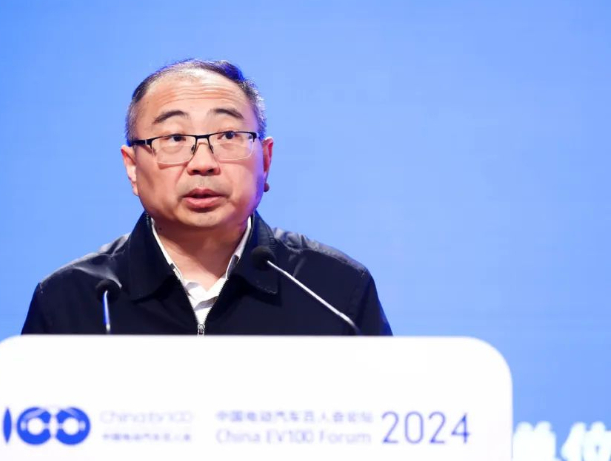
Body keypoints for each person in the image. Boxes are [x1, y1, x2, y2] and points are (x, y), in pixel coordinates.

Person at [21, 59, 391, 337]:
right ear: (132, 167)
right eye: (174, 138)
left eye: (228, 136)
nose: (203, 163)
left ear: (265, 160)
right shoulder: (74, 300)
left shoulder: (333, 290)